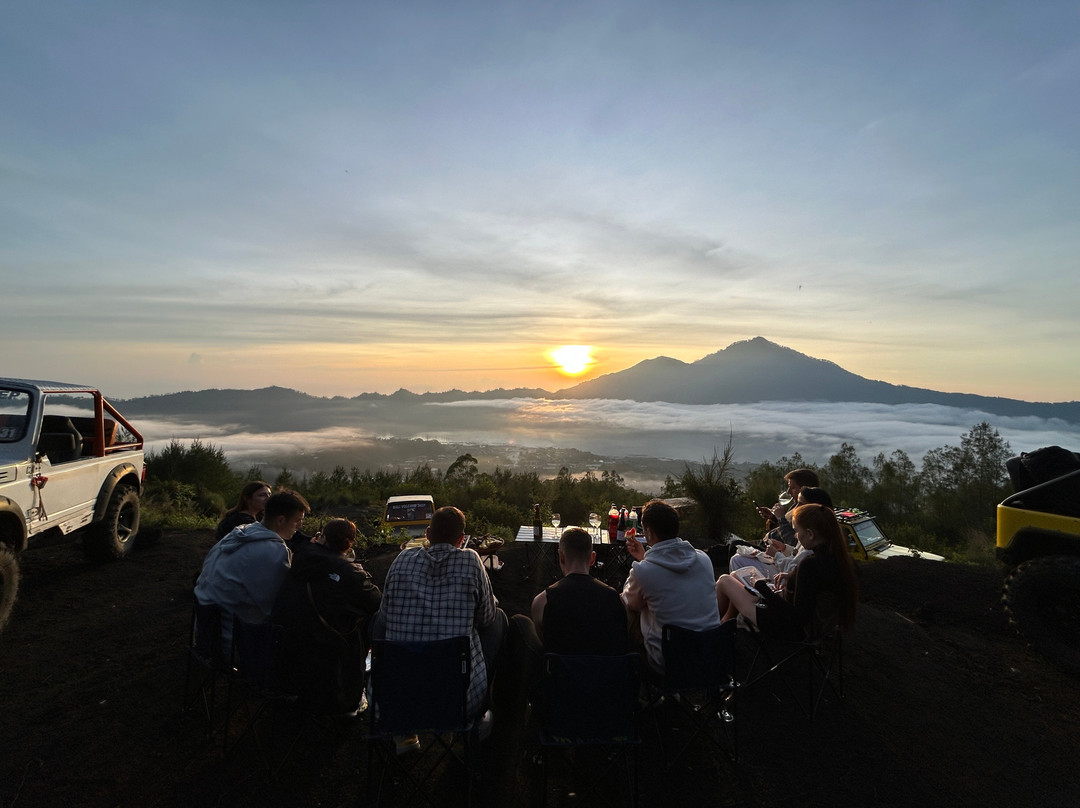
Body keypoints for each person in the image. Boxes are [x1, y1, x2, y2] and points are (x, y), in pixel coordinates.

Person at [377, 506, 507, 722]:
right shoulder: (471, 561)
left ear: (428, 534)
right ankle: (481, 708)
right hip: (457, 699)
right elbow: (486, 618)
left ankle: (404, 737)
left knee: (380, 620)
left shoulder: (401, 560)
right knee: (499, 618)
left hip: (398, 697)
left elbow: (385, 618)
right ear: (461, 539)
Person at [504, 527, 629, 722]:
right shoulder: (616, 600)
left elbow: (545, 644)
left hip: (560, 689)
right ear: (593, 558)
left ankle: (512, 708)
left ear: (560, 557)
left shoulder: (542, 601)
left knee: (519, 622)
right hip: (602, 691)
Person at [273, 518, 382, 715]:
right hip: (327, 644)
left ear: (322, 538)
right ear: (350, 544)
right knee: (365, 623)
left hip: (293, 642)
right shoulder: (350, 573)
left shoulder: (300, 557)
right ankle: (352, 698)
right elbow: (376, 602)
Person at [716, 503, 858, 640]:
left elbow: (797, 617)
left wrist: (761, 587)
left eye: (796, 531)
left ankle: (710, 629)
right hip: (822, 628)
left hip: (791, 629)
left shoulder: (810, 564)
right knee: (735, 576)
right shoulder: (841, 560)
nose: (796, 536)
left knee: (724, 580)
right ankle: (723, 624)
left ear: (810, 534)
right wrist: (790, 576)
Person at [194, 489, 310, 652]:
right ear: (281, 520)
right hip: (237, 645)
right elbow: (279, 605)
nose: (300, 526)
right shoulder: (274, 552)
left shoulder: (236, 535)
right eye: (298, 520)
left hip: (206, 632)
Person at [622, 499, 720, 674]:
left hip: (669, 662)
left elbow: (630, 602)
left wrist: (644, 563)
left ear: (649, 532)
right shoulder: (703, 560)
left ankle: (634, 680)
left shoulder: (643, 571)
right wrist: (645, 558)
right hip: (710, 656)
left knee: (625, 608)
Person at [730, 487, 834, 579]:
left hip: (783, 569)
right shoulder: (812, 531)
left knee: (736, 560)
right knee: (737, 553)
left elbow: (793, 565)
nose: (788, 491)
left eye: (792, 487)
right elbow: (797, 552)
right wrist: (784, 547)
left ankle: (751, 596)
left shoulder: (811, 538)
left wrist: (776, 554)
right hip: (782, 559)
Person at [755, 468, 820, 530]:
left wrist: (781, 518)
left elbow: (792, 539)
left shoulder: (812, 514)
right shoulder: (795, 506)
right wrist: (774, 517)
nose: (788, 492)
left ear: (804, 489)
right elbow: (786, 529)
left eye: (792, 488)